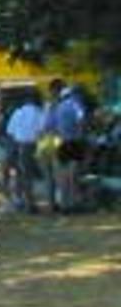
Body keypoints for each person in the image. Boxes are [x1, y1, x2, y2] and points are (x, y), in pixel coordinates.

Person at [44, 80, 89, 213]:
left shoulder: (55, 106)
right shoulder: (76, 104)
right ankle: (73, 203)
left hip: (61, 142)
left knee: (62, 176)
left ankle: (64, 205)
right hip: (75, 141)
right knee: (73, 175)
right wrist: (82, 134)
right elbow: (82, 120)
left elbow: (48, 126)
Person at [4, 92, 45, 212]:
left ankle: (22, 201)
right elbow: (42, 129)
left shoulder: (18, 112)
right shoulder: (39, 112)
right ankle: (33, 202)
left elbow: (10, 132)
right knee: (35, 174)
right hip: (36, 145)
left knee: (22, 174)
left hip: (20, 145)